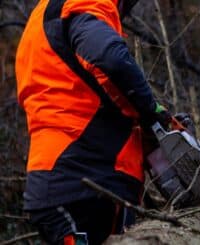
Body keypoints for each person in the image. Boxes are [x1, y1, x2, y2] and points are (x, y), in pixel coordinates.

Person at [15, 0, 171, 244]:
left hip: (69, 180)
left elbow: (83, 97)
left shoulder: (46, 15)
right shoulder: (82, 4)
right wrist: (150, 111)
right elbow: (110, 60)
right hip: (86, 183)